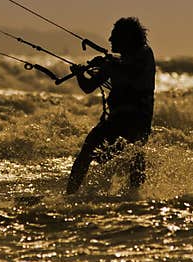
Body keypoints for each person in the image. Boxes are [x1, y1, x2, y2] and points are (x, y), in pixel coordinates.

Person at [66, 17, 156, 194]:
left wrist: (108, 64)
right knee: (87, 151)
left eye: (114, 36)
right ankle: (69, 195)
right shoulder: (113, 63)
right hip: (115, 120)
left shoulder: (145, 54)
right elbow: (88, 87)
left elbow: (132, 70)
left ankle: (136, 196)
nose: (109, 40)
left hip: (137, 120)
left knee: (135, 154)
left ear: (127, 38)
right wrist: (79, 74)